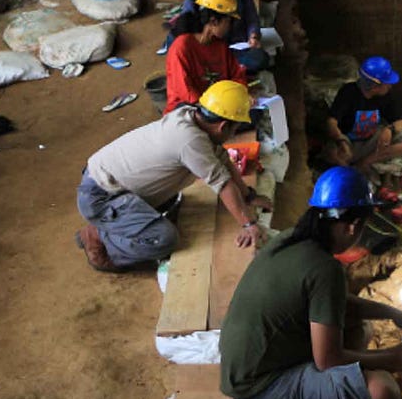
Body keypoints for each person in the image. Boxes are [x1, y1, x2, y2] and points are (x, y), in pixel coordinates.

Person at [219, 167, 402, 399]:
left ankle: (341, 380)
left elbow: (332, 301)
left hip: (245, 365)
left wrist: (393, 313)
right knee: (383, 391)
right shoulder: (325, 268)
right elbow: (328, 360)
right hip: (260, 387)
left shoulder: (290, 238)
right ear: (352, 226)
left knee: (360, 328)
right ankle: (340, 385)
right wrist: (393, 359)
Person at [75, 81, 269, 272]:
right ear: (223, 126)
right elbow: (223, 184)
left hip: (108, 183)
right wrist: (249, 224)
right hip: (101, 197)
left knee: (172, 202)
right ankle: (98, 237)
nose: (233, 134)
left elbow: (223, 161)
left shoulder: (190, 116)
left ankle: (117, 224)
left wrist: (248, 196)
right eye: (234, 130)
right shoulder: (189, 140)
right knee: (163, 239)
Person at [325, 56, 402, 176]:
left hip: (373, 140)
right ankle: (351, 171)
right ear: (374, 86)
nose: (390, 86)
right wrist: (341, 141)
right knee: (334, 153)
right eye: (387, 83)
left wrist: (389, 129)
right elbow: (331, 122)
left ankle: (365, 162)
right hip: (350, 141)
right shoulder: (348, 92)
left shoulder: (386, 96)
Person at [163, 0, 249, 114]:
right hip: (189, 109)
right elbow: (187, 93)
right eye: (228, 21)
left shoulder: (220, 45)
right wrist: (214, 109)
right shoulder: (181, 47)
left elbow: (237, 76)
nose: (230, 26)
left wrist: (241, 94)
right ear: (214, 21)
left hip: (216, 105)